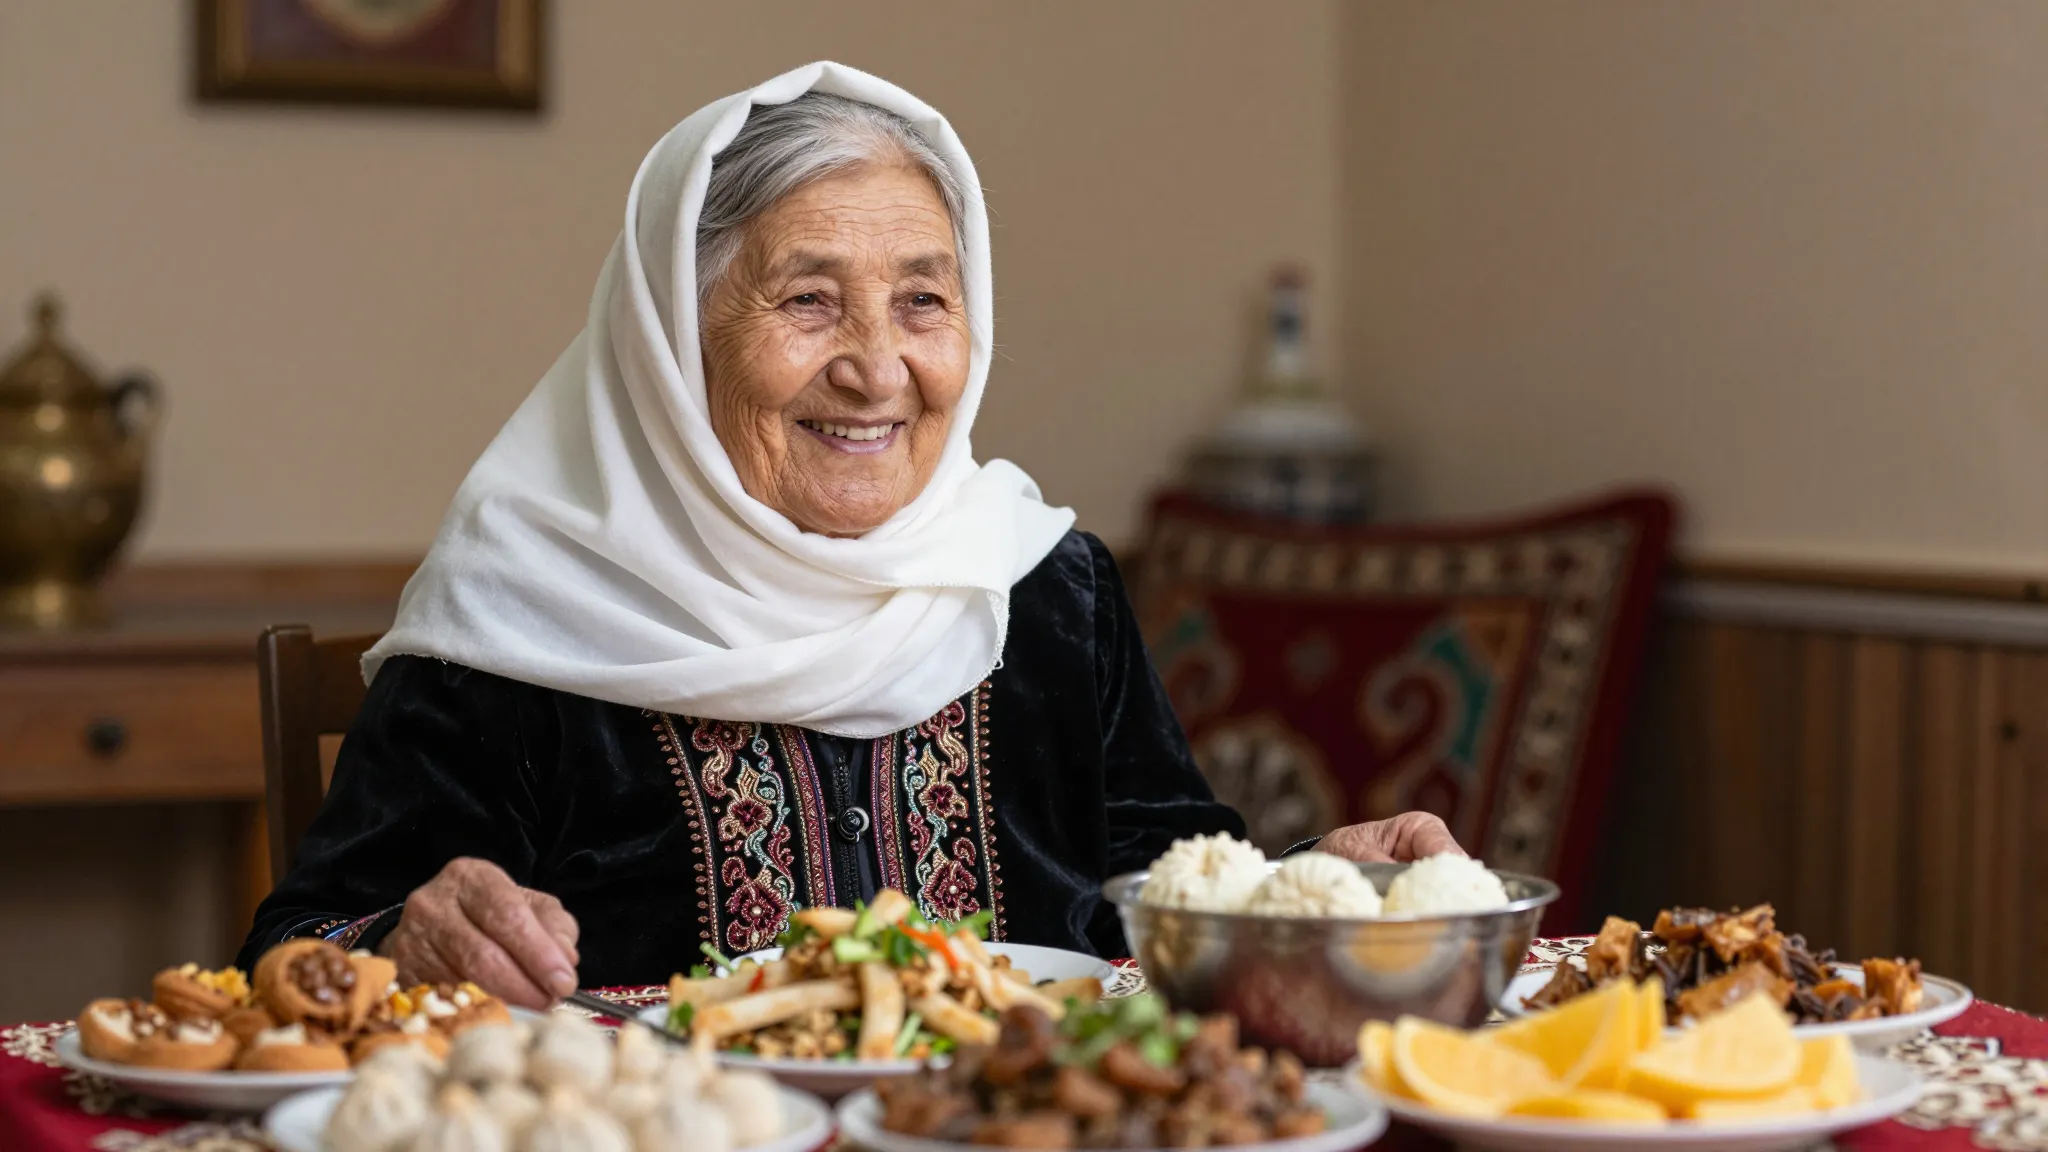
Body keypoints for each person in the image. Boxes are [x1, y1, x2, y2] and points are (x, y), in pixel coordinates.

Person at [239, 63, 1461, 1009]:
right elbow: (293, 955)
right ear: (674, 337)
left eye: (923, 300)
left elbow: (1169, 893)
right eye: (808, 299)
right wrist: (408, 939)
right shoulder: (522, 613)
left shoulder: (1041, 587)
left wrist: (1320, 882)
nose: (878, 369)